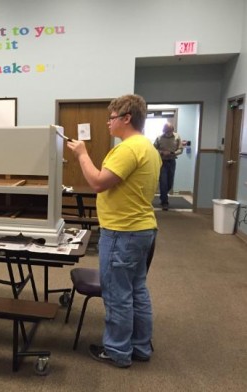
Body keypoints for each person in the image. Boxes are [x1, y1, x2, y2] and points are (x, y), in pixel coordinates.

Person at [66, 94, 161, 368]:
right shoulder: (148, 148)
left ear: (127, 118)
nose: (108, 123)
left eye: (112, 117)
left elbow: (97, 182)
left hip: (123, 232)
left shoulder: (128, 149)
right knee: (136, 289)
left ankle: (118, 351)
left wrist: (82, 154)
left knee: (117, 293)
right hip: (141, 229)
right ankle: (140, 347)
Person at [153, 123, 183, 210]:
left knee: (169, 183)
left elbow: (180, 149)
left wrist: (172, 153)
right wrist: (161, 152)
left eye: (168, 131)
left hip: (172, 161)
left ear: (172, 130)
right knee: (163, 182)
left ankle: (163, 196)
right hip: (162, 162)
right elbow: (153, 149)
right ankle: (165, 202)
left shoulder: (177, 137)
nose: (167, 133)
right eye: (165, 131)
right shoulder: (159, 138)